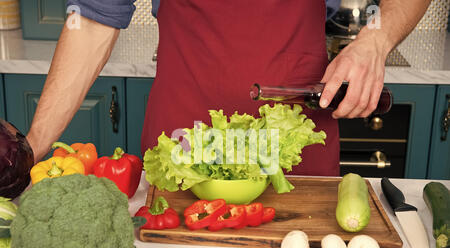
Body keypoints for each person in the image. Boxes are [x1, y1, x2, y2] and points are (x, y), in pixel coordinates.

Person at [25, 0, 431, 177]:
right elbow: (94, 18)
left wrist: (375, 40)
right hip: (183, 143)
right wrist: (30, 149)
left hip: (294, 150)